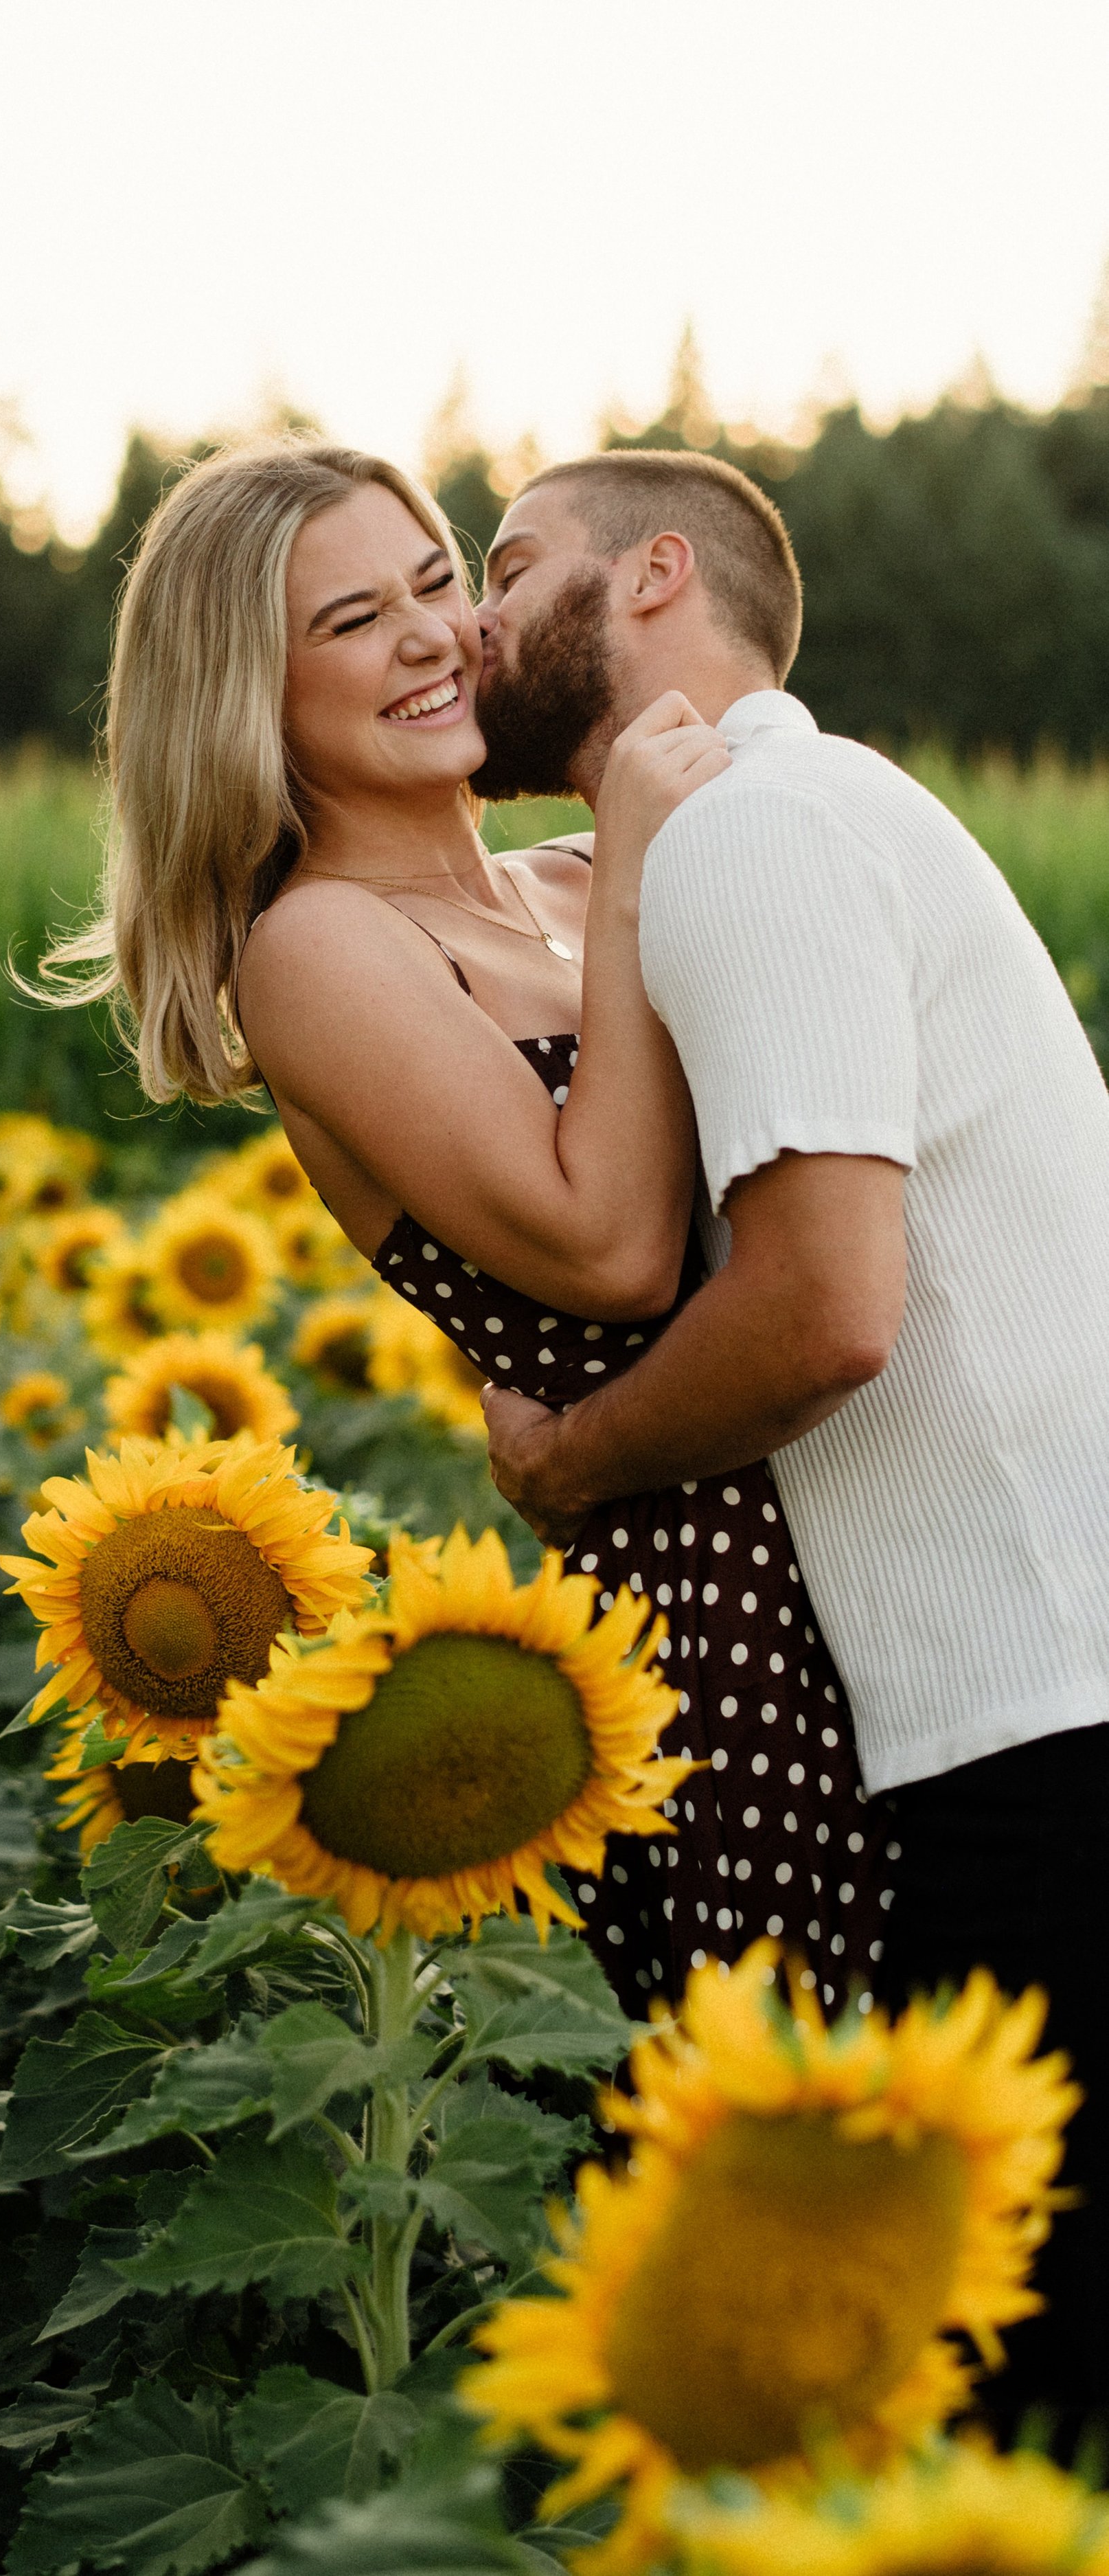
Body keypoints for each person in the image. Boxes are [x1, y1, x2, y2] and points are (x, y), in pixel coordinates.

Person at [38, 436, 891, 2022]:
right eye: (350, 621)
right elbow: (609, 1249)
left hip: (878, 1537)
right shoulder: (315, 953)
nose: (431, 634)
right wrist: (642, 865)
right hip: (710, 1621)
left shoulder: (580, 868)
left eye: (438, 580)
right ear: (248, 698)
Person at [474, 443, 1109, 2441]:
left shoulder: (753, 825)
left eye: (499, 567)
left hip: (1036, 1735)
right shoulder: (830, 808)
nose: (463, 627)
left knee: (1026, 2432)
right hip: (1042, 1693)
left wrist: (569, 1460)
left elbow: (830, 1298)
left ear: (653, 575)